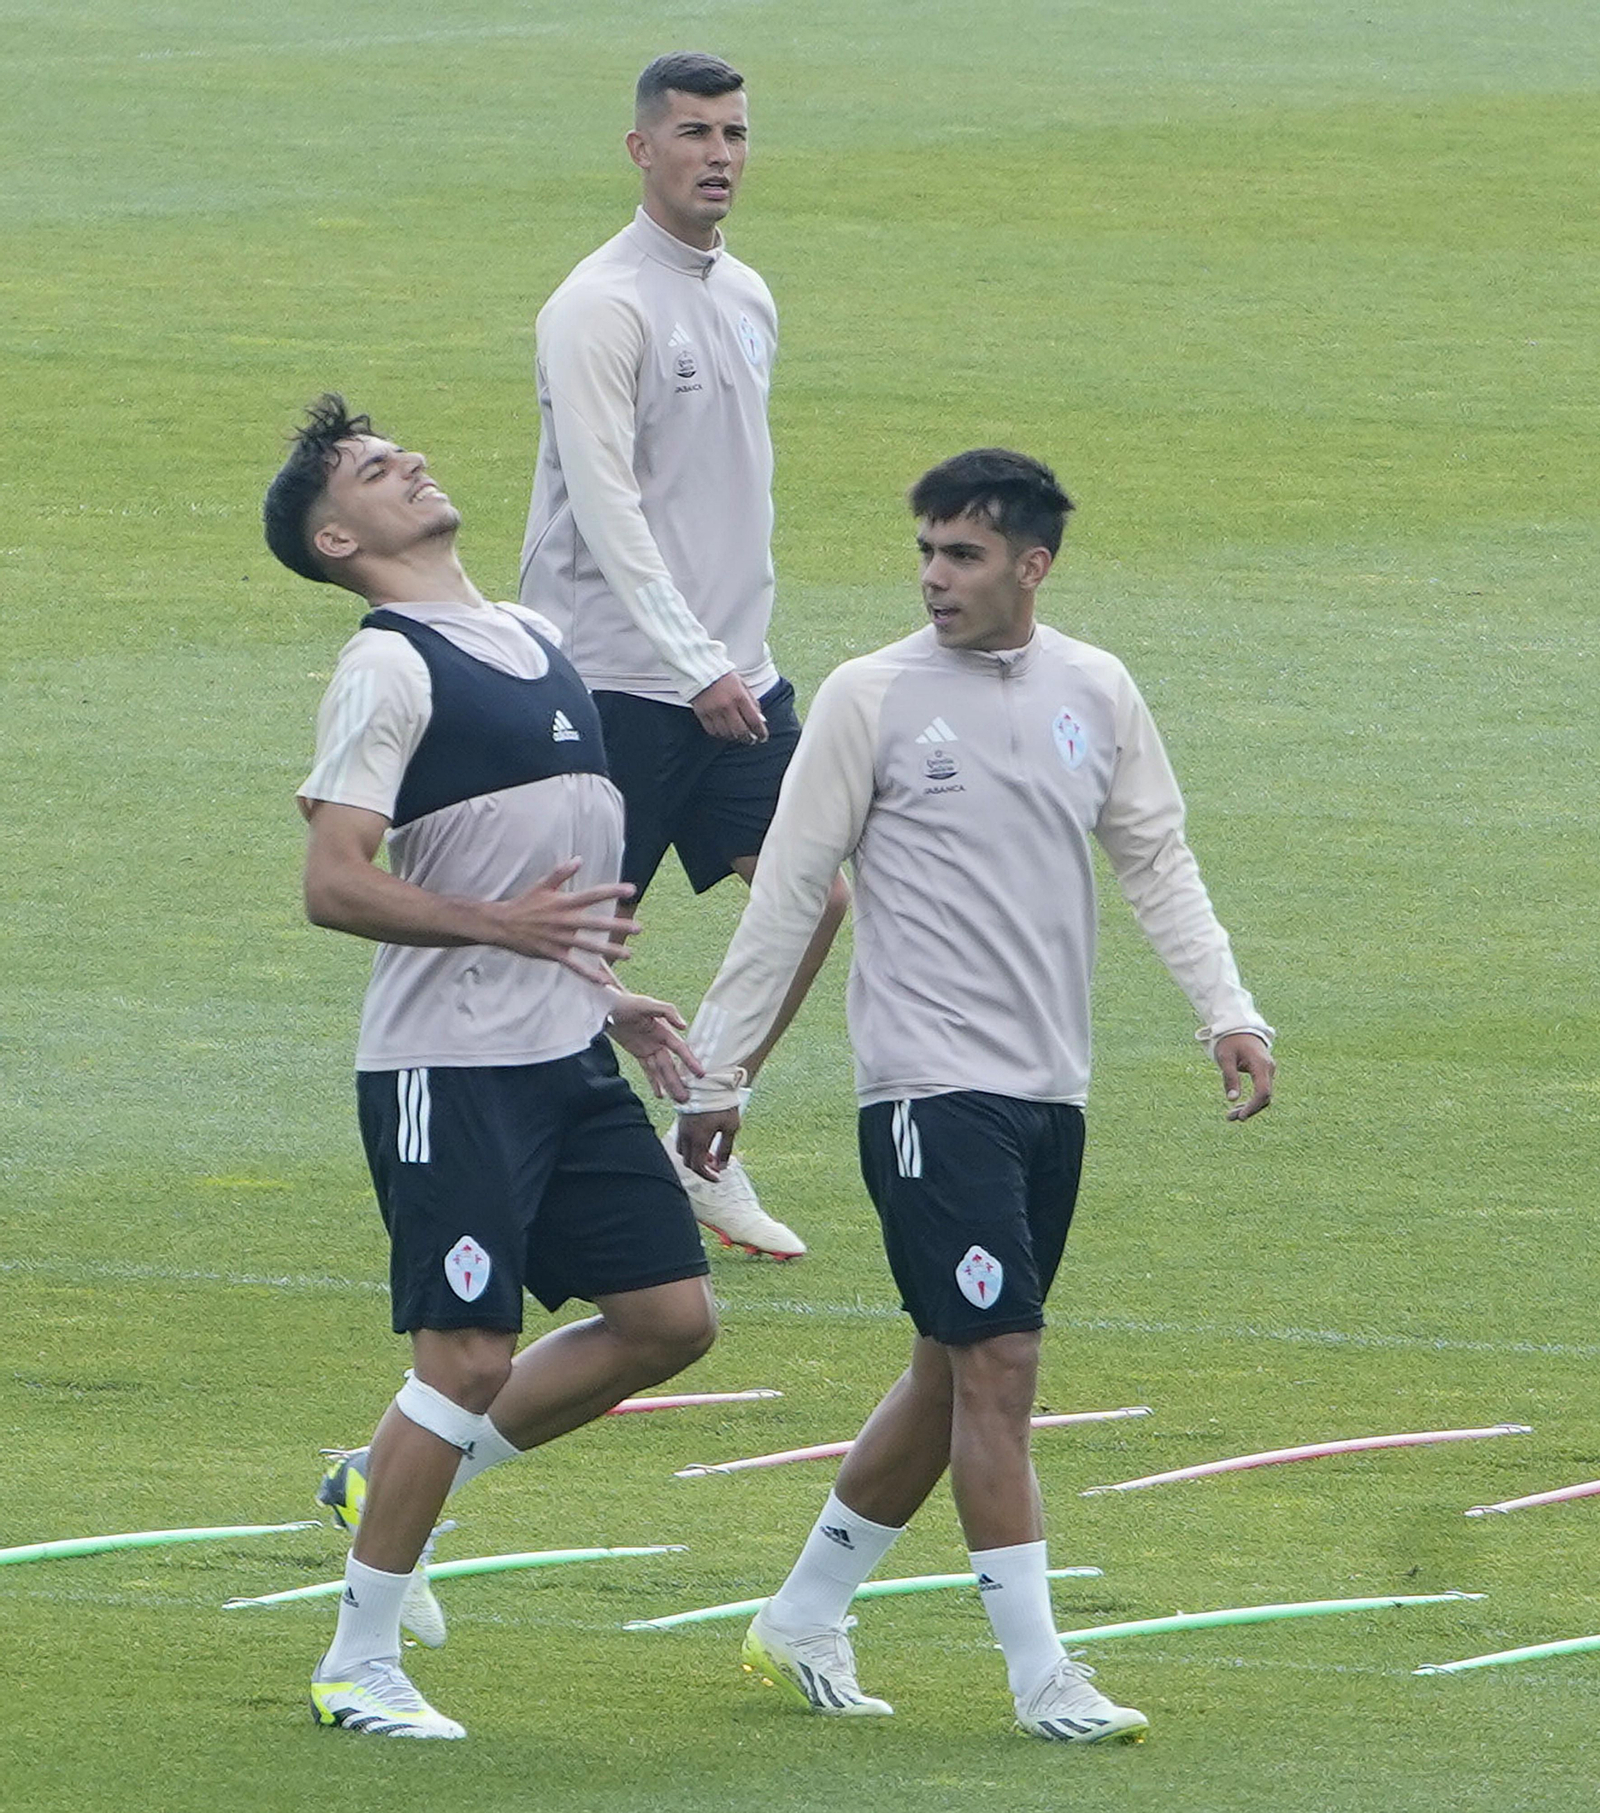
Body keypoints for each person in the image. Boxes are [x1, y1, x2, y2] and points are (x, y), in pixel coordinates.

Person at [675, 449, 1276, 1743]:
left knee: (952, 1376)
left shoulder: (1096, 690)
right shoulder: (868, 698)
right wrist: (720, 1072)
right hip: (925, 1087)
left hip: (1049, 1092)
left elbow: (1156, 858)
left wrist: (1228, 1007)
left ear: (1032, 564)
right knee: (1001, 1363)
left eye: (964, 554)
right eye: (927, 553)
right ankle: (1042, 1678)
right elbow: (787, 891)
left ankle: (798, 1620)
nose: (937, 577)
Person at [265, 394, 717, 1740]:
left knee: (669, 1321)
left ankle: (388, 1475)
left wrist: (609, 992)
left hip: (563, 1046)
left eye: (400, 449)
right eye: (371, 470)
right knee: (463, 1355)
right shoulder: (387, 668)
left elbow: (532, 875)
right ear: (338, 537)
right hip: (447, 1066)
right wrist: (504, 928)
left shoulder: (531, 635)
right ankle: (360, 1657)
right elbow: (334, 884)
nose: (408, 461)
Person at [517, 49, 850, 1261]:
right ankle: (534, 1182)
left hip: (735, 677)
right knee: (567, 948)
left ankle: (707, 1124)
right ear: (640, 149)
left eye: (737, 133)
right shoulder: (597, 306)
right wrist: (693, 657)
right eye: (697, 132)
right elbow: (608, 511)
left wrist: (734, 660)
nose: (721, 154)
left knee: (815, 896)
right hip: (609, 680)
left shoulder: (747, 295)